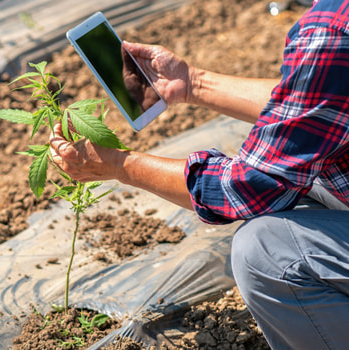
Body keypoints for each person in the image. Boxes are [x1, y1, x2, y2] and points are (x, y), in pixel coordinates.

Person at [47, 1, 349, 349]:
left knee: (265, 251)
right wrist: (193, 83)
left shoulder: (331, 27)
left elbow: (246, 187)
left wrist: (119, 165)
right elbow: (312, 101)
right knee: (304, 183)